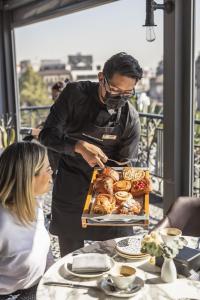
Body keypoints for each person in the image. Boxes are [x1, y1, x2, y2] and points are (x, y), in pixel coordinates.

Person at [39, 52, 143, 256]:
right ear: (101, 77)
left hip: (108, 191)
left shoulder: (130, 118)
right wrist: (78, 146)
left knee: (118, 256)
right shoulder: (74, 94)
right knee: (71, 259)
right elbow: (46, 135)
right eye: (114, 89)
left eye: (127, 93)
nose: (119, 97)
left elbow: (124, 167)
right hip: (71, 185)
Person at [0, 142, 53, 298]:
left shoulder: (34, 204)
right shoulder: (3, 222)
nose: (52, 174)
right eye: (48, 169)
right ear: (29, 177)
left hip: (38, 287)